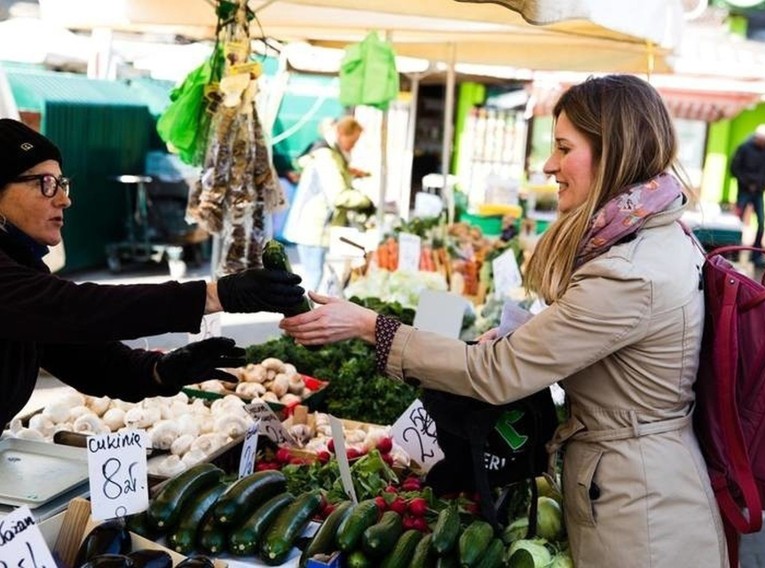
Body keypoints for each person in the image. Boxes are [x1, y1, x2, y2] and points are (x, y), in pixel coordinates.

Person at [282, 75, 727, 567]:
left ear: (614, 151)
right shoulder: (651, 238)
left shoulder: (628, 272)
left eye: (563, 148)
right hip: (637, 489)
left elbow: (497, 372)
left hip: (642, 522)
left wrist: (371, 327)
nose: (548, 165)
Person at [0, 118, 305, 429]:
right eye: (45, 183)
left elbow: (84, 358)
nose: (64, 199)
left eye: (62, 183)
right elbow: (73, 308)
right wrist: (214, 295)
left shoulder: (23, 262)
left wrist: (161, 370)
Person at [283, 116, 373, 292]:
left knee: (315, 279)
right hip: (314, 229)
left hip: (318, 228)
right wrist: (365, 201)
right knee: (312, 282)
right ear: (341, 134)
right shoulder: (327, 156)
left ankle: (304, 316)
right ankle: (302, 318)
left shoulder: (333, 154)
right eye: (353, 141)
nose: (353, 146)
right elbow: (338, 196)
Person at [730, 123, 765, 267]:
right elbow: (734, 169)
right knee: (737, 223)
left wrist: (762, 185)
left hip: (759, 192)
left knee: (761, 222)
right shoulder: (744, 148)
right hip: (744, 190)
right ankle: (734, 252)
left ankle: (756, 256)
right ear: (758, 138)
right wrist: (747, 183)